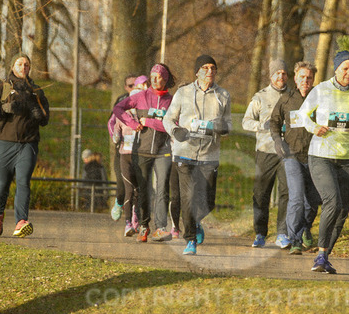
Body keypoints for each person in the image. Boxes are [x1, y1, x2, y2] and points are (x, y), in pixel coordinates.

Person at [297, 50, 349, 274]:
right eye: (345, 68)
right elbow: (302, 115)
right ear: (336, 69)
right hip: (321, 154)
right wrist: (314, 127)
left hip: (348, 157)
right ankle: (320, 255)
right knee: (333, 201)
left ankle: (325, 255)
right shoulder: (321, 90)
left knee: (343, 209)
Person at [163, 54, 232, 255]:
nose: (210, 71)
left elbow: (228, 124)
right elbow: (168, 119)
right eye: (205, 67)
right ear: (197, 72)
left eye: (213, 68)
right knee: (188, 196)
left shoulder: (223, 95)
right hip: (184, 152)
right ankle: (190, 239)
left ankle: (195, 221)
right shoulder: (183, 93)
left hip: (209, 154)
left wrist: (222, 128)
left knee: (208, 202)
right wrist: (175, 131)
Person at [0, 53, 49, 238]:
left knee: (23, 181)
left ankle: (21, 222)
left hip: (28, 143)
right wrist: (2, 109)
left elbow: (45, 118)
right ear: (12, 66)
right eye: (20, 64)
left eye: (27, 65)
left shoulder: (36, 90)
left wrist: (38, 113)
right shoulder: (3, 87)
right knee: (2, 183)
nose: (23, 67)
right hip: (4, 142)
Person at [113, 63, 176, 243]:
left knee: (162, 188)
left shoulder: (172, 101)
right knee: (143, 190)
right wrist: (132, 123)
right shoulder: (141, 96)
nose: (155, 80)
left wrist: (149, 122)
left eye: (159, 77)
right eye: (152, 76)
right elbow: (118, 109)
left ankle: (161, 228)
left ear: (166, 79)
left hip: (163, 151)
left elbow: (173, 125)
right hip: (142, 151)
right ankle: (143, 225)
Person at [269, 61, 322, 255]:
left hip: (316, 155)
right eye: (302, 77)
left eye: (309, 77)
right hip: (292, 155)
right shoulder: (286, 99)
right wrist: (277, 141)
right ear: (295, 78)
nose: (305, 81)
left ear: (313, 79)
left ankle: (305, 227)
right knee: (297, 198)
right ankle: (295, 239)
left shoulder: (321, 98)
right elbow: (274, 122)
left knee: (312, 202)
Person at [243, 59, 291, 249]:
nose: (281, 76)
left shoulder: (293, 95)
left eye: (284, 73)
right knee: (261, 193)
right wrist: (261, 125)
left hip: (288, 152)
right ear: (271, 75)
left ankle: (282, 233)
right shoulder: (260, 97)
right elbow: (246, 122)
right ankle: (260, 233)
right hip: (265, 151)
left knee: (287, 192)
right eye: (277, 73)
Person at [110, 75, 137, 222]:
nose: (134, 88)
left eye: (136, 85)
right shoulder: (122, 101)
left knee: (137, 186)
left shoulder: (146, 100)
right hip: (123, 149)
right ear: (126, 88)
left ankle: (134, 216)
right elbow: (111, 122)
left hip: (140, 151)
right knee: (122, 184)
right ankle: (119, 202)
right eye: (130, 86)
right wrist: (116, 138)